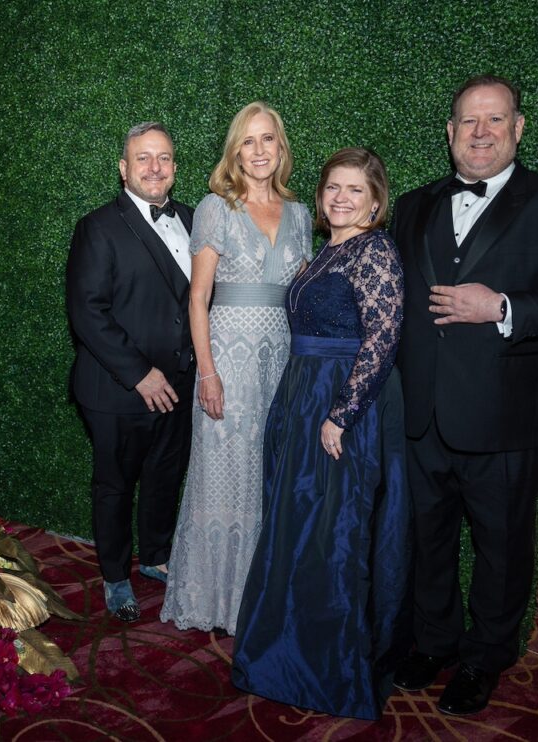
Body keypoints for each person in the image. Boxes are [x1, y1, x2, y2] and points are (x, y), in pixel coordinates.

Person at [390, 75, 538, 715]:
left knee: (502, 550)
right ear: (450, 133)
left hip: (505, 418)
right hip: (423, 413)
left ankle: (485, 658)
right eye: (467, 122)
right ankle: (433, 643)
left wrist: (503, 306)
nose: (480, 133)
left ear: (517, 128)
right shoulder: (414, 205)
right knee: (426, 541)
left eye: (494, 120)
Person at [231, 148, 411, 720]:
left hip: (341, 405)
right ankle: (284, 654)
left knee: (334, 534)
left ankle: (329, 669)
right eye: (333, 187)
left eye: (355, 190)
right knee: (297, 528)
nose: (341, 197)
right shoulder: (326, 251)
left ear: (375, 201)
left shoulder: (375, 249)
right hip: (303, 395)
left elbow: (382, 338)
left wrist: (342, 413)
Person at [160, 102, 313, 635]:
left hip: (282, 363)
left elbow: (303, 298)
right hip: (226, 359)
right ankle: (217, 601)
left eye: (267, 139)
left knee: (270, 479)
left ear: (281, 147)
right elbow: (198, 298)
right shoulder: (214, 208)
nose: (259, 151)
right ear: (234, 151)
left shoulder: (299, 214)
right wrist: (207, 371)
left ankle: (261, 597)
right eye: (248, 142)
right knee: (220, 480)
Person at [66, 122, 196, 622]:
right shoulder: (97, 227)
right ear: (123, 169)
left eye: (163, 157)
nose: (154, 167)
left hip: (181, 384)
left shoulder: (191, 218)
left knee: (166, 476)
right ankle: (116, 575)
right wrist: (141, 374)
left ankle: (157, 557)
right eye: (143, 158)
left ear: (175, 168)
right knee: (115, 484)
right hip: (118, 388)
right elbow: (88, 312)